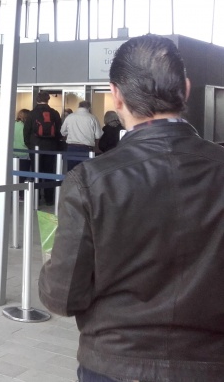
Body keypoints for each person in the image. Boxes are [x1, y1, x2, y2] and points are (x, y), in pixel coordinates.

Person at [39, 35, 224, 382]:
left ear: (116, 95)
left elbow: (62, 297)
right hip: (210, 363)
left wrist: (50, 261)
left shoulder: (89, 181)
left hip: (114, 361)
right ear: (185, 89)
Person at [23, 92, 62, 206]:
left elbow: (26, 131)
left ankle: (36, 198)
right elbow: (59, 131)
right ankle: (49, 199)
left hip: (35, 147)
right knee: (50, 173)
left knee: (36, 172)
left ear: (37, 100)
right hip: (51, 147)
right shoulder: (54, 113)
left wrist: (30, 145)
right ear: (48, 99)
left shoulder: (32, 114)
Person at [60, 100, 102, 171]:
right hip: (86, 148)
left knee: (71, 171)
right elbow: (98, 135)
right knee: (84, 171)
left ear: (79, 106)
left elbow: (62, 132)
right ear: (89, 108)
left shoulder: (70, 117)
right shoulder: (92, 118)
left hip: (71, 148)